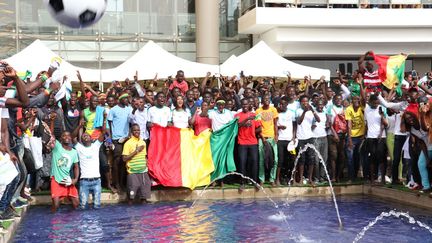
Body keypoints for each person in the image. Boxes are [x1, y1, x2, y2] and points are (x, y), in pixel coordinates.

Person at [48, 112, 79, 213]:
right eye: (64, 136)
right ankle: (52, 220)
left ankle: (71, 221)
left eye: (68, 136)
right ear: (61, 138)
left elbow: (76, 167)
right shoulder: (57, 147)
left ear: (71, 138)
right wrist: (52, 121)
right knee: (56, 205)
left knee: (76, 204)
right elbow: (51, 135)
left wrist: (75, 179)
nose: (67, 137)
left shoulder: (74, 152)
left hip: (67, 180)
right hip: (56, 179)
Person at [73, 119, 105, 209]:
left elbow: (103, 132)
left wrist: (104, 119)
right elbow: (73, 137)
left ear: (91, 138)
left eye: (87, 135)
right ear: (81, 140)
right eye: (83, 136)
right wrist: (80, 126)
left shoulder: (96, 145)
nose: (85, 136)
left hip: (97, 181)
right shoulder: (79, 148)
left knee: (97, 206)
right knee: (82, 206)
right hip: (84, 181)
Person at [107, 92, 133, 191]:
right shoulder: (113, 110)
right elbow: (108, 126)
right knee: (116, 161)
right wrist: (109, 140)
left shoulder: (129, 109)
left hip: (126, 139)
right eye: (125, 98)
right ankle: (116, 183)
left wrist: (129, 134)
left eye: (128, 99)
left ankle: (122, 183)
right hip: (116, 139)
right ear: (121, 99)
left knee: (124, 161)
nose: (127, 100)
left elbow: (131, 123)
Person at [235, 98, 262, 191]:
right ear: (241, 105)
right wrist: (246, 121)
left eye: (246, 105)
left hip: (253, 142)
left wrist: (253, 131)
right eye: (243, 105)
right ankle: (242, 183)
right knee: (242, 162)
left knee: (254, 161)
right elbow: (237, 126)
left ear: (249, 105)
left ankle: (255, 181)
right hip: (242, 142)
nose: (245, 106)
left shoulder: (255, 115)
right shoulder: (237, 115)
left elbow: (259, 128)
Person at [122, 124, 151, 204]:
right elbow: (124, 159)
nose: (137, 132)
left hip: (143, 172)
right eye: (135, 130)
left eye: (138, 130)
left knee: (144, 198)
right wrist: (136, 151)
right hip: (132, 172)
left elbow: (144, 156)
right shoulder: (127, 143)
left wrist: (147, 165)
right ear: (131, 132)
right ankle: (130, 215)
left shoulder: (143, 143)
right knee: (131, 198)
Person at [364, 94, 388, 184]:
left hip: (381, 137)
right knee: (372, 158)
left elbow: (386, 124)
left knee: (382, 158)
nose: (376, 105)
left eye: (377, 103)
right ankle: (372, 179)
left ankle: (382, 179)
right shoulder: (366, 109)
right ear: (370, 102)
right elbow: (363, 97)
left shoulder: (381, 108)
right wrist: (361, 85)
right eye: (374, 103)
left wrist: (382, 115)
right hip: (370, 137)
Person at [296, 95, 320, 186]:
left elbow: (318, 120)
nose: (305, 103)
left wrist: (313, 110)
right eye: (303, 102)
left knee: (311, 158)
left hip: (310, 137)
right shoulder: (298, 111)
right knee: (301, 159)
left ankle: (310, 179)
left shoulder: (311, 111)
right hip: (301, 137)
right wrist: (304, 112)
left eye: (306, 101)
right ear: (301, 102)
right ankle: (301, 179)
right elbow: (298, 122)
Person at [256, 95, 279, 186]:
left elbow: (275, 124)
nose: (267, 100)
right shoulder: (258, 111)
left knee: (275, 159)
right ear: (262, 101)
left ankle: (271, 179)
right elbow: (258, 126)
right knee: (262, 159)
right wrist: (262, 138)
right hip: (262, 138)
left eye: (268, 99)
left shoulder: (273, 110)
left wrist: (276, 135)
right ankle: (261, 179)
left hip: (272, 138)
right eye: (265, 99)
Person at [276, 96, 296, 185]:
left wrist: (294, 137)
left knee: (293, 159)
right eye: (280, 104)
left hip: (290, 141)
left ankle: (292, 179)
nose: (281, 105)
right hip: (280, 140)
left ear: (287, 104)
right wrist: (279, 127)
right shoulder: (276, 113)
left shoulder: (291, 113)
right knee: (280, 160)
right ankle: (278, 179)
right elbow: (274, 125)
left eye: (283, 104)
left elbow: (295, 125)